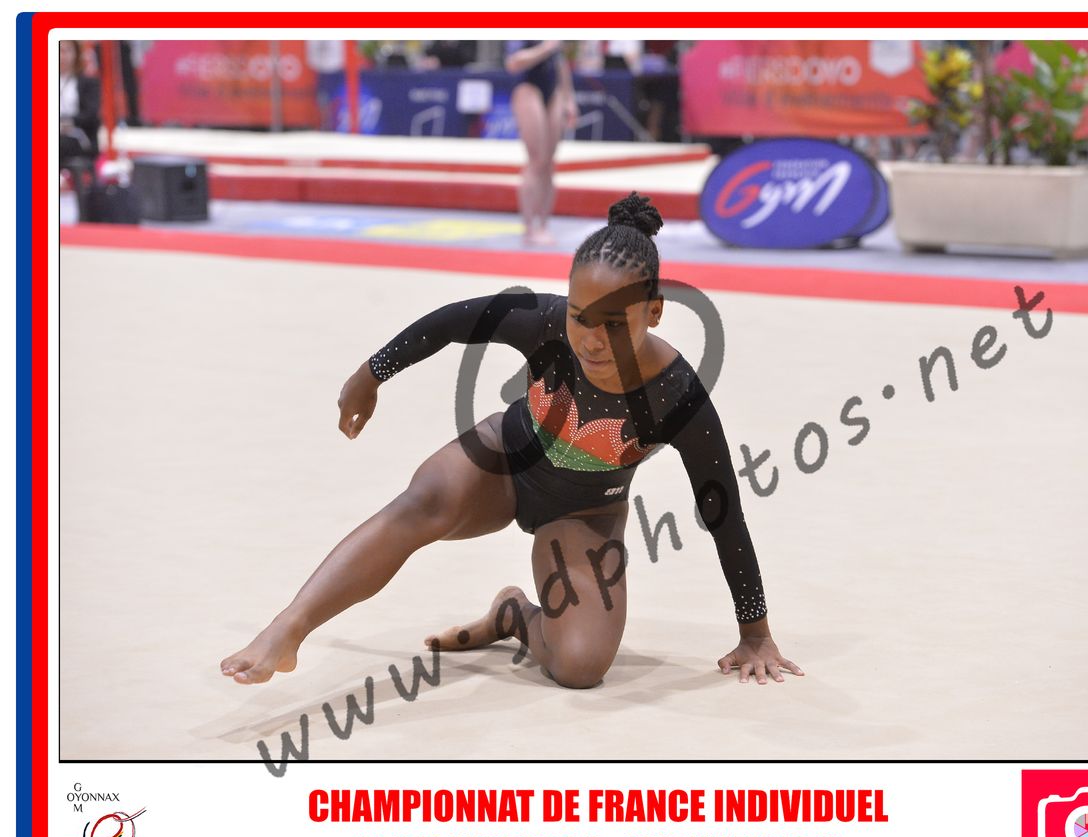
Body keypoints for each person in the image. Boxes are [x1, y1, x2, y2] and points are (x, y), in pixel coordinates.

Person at [220, 193, 802, 689]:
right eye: (581, 316)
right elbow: (454, 320)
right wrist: (371, 374)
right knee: (422, 502)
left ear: (653, 313)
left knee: (581, 668)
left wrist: (755, 633)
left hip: (585, 513)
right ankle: (287, 629)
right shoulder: (545, 322)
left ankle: (515, 615)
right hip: (501, 462)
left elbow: (721, 508)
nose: (591, 340)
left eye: (614, 324)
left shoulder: (677, 395)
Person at [504, 40, 578, 245]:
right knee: (536, 160)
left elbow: (560, 62)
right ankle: (529, 227)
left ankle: (543, 225)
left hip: (554, 89)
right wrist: (546, 48)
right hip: (528, 87)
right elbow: (513, 63)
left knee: (548, 163)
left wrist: (569, 98)